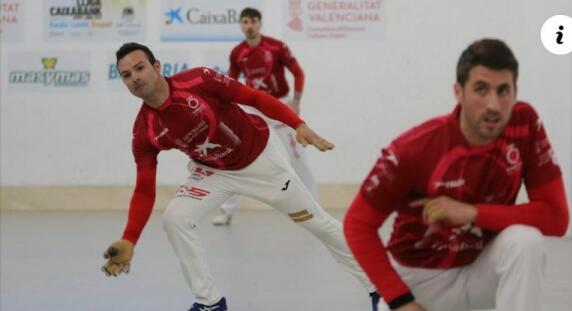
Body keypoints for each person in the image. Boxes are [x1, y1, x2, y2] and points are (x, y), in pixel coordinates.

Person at [100, 42, 378, 311]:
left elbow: (253, 97)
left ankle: (378, 287)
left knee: (318, 223)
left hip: (260, 161)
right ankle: (210, 302)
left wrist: (297, 124)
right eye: (126, 75)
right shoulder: (143, 132)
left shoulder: (199, 79)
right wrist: (129, 239)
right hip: (213, 172)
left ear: (157, 66)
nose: (135, 78)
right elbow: (145, 190)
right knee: (175, 219)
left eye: (140, 68)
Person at [343, 38, 569, 311]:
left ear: (515, 92)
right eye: (481, 89)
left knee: (525, 242)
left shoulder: (525, 123)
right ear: (458, 92)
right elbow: (357, 225)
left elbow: (556, 218)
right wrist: (401, 301)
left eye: (503, 90)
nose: (494, 105)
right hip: (417, 282)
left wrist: (472, 213)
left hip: (478, 272)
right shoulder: (414, 148)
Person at [211, 7, 318, 226]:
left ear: (259, 23)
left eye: (252, 21)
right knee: (238, 154)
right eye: (244, 22)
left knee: (298, 158)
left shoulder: (277, 47)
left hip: (280, 107)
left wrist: (296, 101)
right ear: (241, 25)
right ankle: (227, 210)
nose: (248, 26)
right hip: (255, 110)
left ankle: (314, 207)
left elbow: (298, 72)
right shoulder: (237, 52)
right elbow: (230, 82)